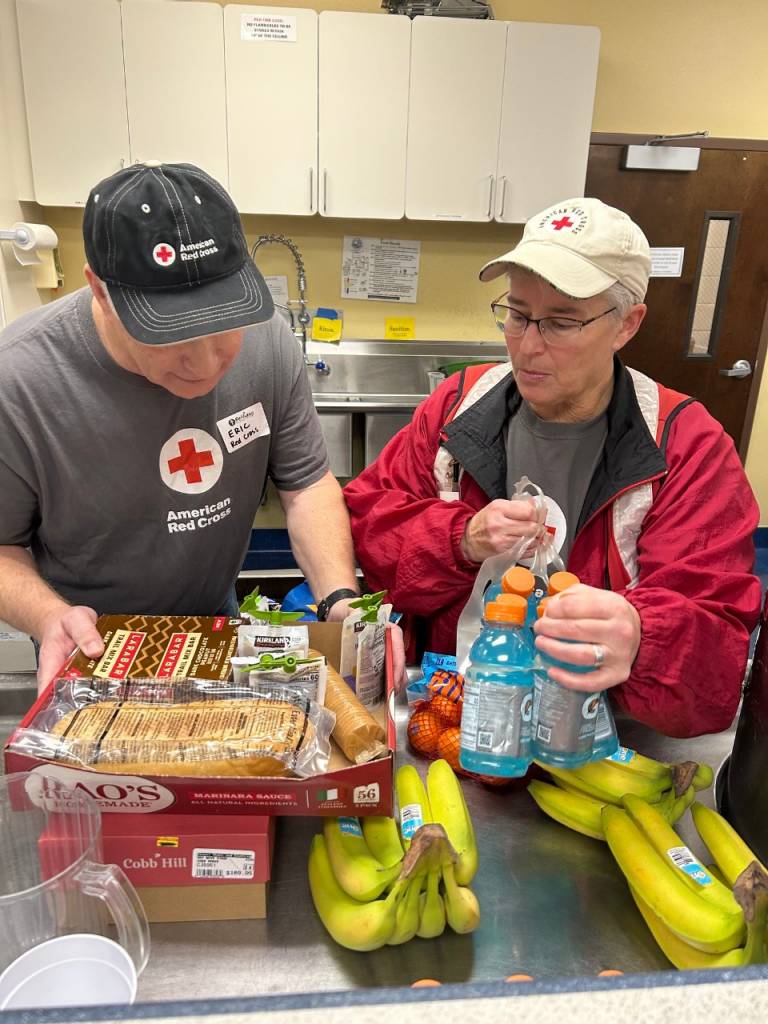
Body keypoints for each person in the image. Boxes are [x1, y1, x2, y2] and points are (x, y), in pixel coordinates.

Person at [344, 197, 761, 738]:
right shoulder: (458, 406)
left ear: (626, 326)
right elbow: (370, 525)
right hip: (455, 716)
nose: (527, 346)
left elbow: (716, 650)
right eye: (517, 314)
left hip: (602, 730)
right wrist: (460, 539)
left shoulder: (685, 445)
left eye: (561, 322)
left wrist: (642, 635)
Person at [0, 161, 387, 692]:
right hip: (89, 642)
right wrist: (49, 616)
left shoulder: (270, 340)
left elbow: (305, 484)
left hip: (215, 619)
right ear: (101, 291)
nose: (206, 364)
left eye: (224, 322)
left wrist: (340, 600)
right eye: (170, 333)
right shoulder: (18, 379)